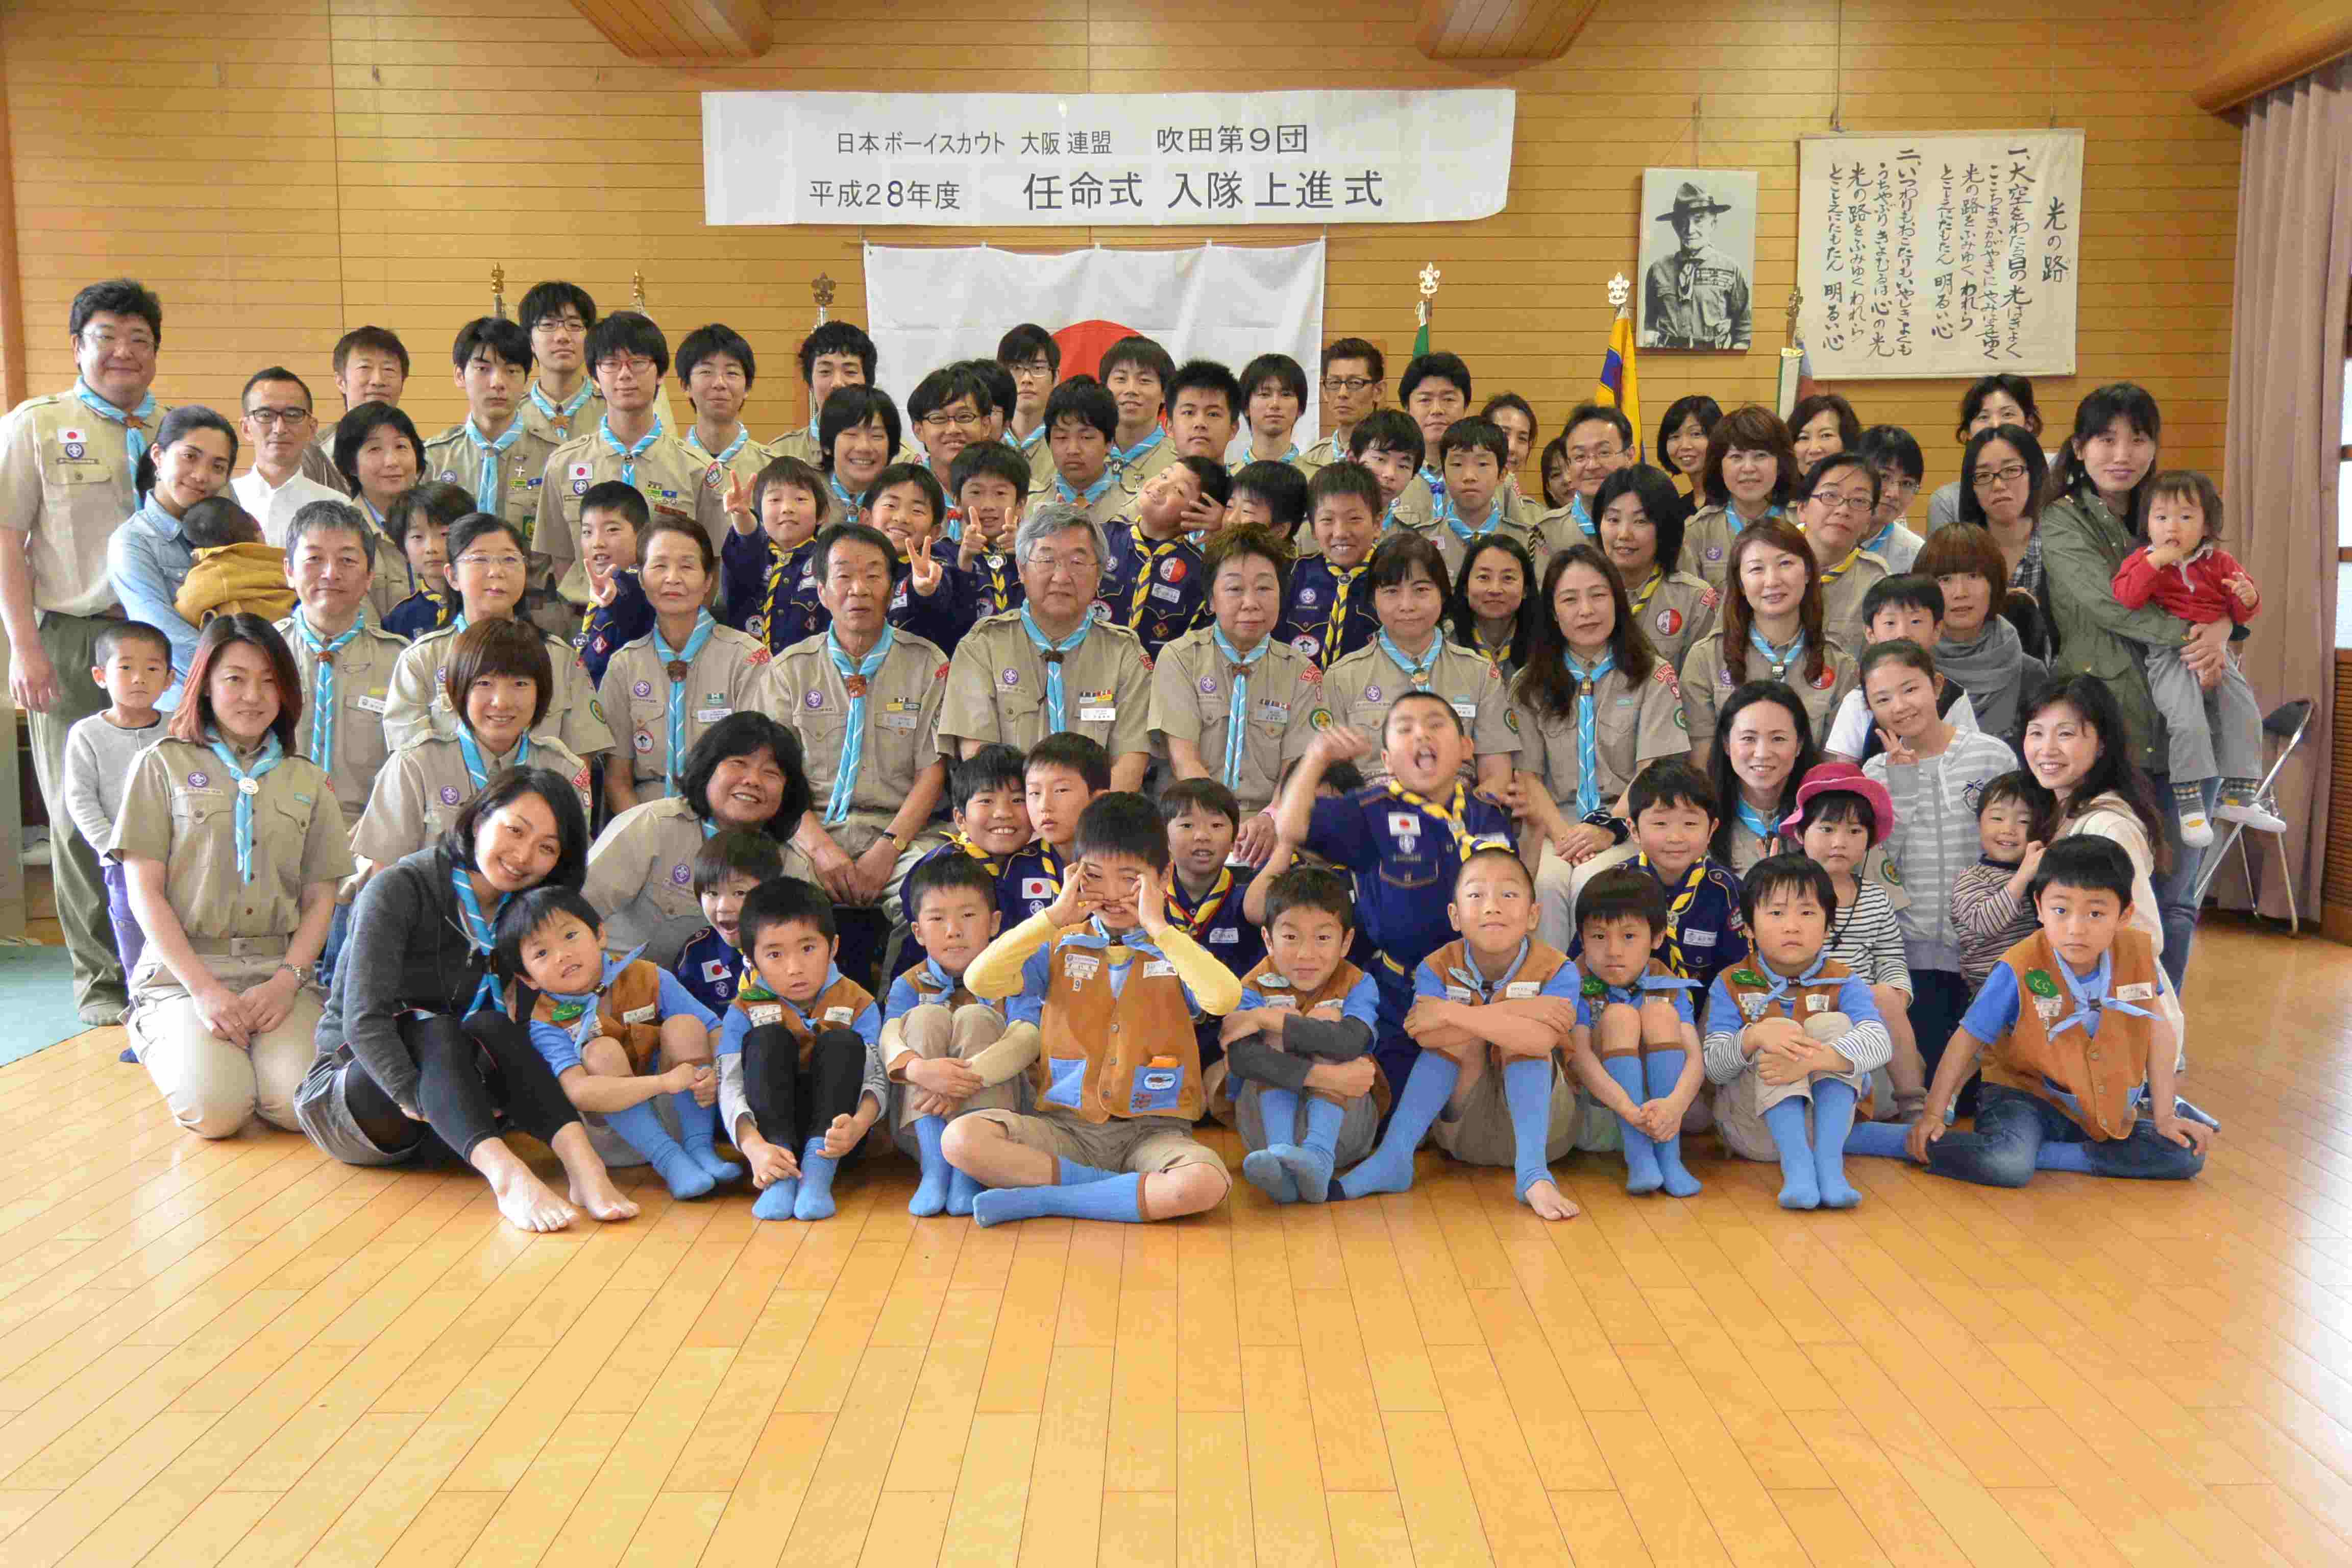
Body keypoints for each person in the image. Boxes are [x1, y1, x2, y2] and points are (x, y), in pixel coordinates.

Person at [296, 765, 639, 1232]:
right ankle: (508, 1179)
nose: (523, 856)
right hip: (368, 1098)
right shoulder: (400, 887)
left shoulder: (530, 914)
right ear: (479, 820)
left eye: (547, 848)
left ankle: (584, 1167)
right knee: (434, 1025)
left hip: (464, 1116)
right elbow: (363, 1021)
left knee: (491, 1025)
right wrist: (417, 1099)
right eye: (515, 831)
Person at [943, 792, 1238, 1228]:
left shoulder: (1176, 949)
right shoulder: (1060, 943)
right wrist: (1054, 916)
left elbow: (1224, 999)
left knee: (1205, 1183)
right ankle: (1116, 1193)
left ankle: (1051, 1200)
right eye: (1095, 877)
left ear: (1164, 876)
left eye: (1131, 879)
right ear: (1075, 875)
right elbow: (980, 980)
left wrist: (1159, 927)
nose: (1114, 895)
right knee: (961, 1139)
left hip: (1154, 1135)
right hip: (1066, 1129)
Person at [110, 616, 352, 1137]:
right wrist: (203, 990)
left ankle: (253, 1057)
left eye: (269, 681)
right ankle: (159, 1028)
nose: (253, 696)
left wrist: (287, 981)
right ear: (205, 685)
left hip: (276, 972)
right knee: (218, 1111)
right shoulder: (162, 765)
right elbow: (144, 891)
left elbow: (321, 896)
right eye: (235, 679)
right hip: (184, 975)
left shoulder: (308, 778)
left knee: (299, 1106)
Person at [0, 278, 169, 1023]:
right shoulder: (37, 425)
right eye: (106, 337)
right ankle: (104, 984)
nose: (123, 352)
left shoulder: (174, 428)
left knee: (169, 803)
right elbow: (7, 540)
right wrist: (24, 646)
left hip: (161, 637)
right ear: (77, 347)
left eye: (139, 339)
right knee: (79, 814)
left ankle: (163, 970)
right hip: (73, 637)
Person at [1905, 837, 2207, 1186]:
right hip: (2024, 1098)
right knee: (2008, 1166)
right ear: (2039, 907)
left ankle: (2039, 1156)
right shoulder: (2019, 965)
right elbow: (1966, 1040)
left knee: (2185, 1155)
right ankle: (1924, 1144)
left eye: (2096, 914)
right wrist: (1933, 1114)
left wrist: (2165, 1116)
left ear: (2124, 915)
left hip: (2097, 1106)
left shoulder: (2137, 953)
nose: (2076, 928)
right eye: (2061, 911)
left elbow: (2159, 1032)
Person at [2036, 385, 2210, 983]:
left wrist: (2222, 627)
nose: (2122, 453)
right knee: (2105, 898)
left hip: (2186, 726)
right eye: (2106, 438)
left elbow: (2217, 585)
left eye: (2138, 438)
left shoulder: (2172, 509)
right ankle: (2109, 1021)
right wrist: (2192, 631)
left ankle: (2163, 1025)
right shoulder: (2063, 518)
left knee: (2178, 901)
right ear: (2080, 447)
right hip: (2108, 731)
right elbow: (2108, 605)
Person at [1272, 694, 1517, 1095]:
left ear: (1466, 748)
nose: (1421, 734)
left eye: (1435, 724)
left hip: (1481, 988)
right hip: (1402, 993)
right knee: (1397, 1101)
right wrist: (1317, 758)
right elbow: (1291, 827)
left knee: (1480, 1102)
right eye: (1405, 729)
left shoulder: (1488, 813)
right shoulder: (1371, 812)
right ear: (1387, 761)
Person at [1326, 849, 1583, 1218]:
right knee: (1460, 1039)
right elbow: (1427, 1036)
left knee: (1519, 1041)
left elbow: (1539, 1042)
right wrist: (1524, 1009)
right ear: (1455, 916)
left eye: (1508, 894)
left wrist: (1451, 1012)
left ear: (1533, 915)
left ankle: (1533, 1174)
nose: (1492, 907)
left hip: (1547, 1134)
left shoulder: (1559, 969)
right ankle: (1394, 1158)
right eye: (1476, 895)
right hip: (1463, 1132)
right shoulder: (1436, 967)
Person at [768, 520, 952, 981]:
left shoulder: (928, 664)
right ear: (823, 591)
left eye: (873, 575)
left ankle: (901, 1007)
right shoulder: (789, 671)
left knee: (938, 900)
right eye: (844, 576)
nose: (859, 589)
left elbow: (933, 773)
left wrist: (889, 848)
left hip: (901, 833)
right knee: (773, 898)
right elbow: (773, 777)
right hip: (809, 832)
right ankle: (801, 1007)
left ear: (892, 589)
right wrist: (821, 850)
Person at [497, 888, 731, 1199]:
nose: (562, 955)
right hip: (611, 1137)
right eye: (541, 954)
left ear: (600, 934)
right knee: (600, 1051)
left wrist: (712, 1074)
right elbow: (579, 1091)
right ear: (528, 979)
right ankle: (671, 1162)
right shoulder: (545, 1021)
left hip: (678, 1117)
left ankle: (701, 1149)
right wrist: (663, 1082)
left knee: (686, 1024)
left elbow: (715, 1029)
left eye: (570, 936)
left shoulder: (649, 976)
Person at [1512, 545, 1689, 949]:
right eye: (1570, 600)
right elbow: (1528, 776)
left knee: (1594, 884)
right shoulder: (1528, 683)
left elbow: (1653, 770)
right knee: (1544, 885)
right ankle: (1553, 982)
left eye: (1598, 595)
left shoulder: (1653, 674)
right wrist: (1567, 838)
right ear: (1553, 612)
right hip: (1556, 822)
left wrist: (1607, 829)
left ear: (1617, 601)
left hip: (1627, 819)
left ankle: (1598, 984)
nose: (1586, 610)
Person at [1702, 854, 1888, 1206]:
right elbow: (1713, 1068)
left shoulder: (1843, 980)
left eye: (1807, 913)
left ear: (1828, 925)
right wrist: (1754, 1037)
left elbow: (1880, 1044)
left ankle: (1830, 1169)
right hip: (1753, 1131)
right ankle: (1798, 1169)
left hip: (1824, 1127)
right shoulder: (1731, 982)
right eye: (1776, 913)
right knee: (1776, 1030)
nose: (1792, 926)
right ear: (1749, 927)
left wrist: (1814, 1062)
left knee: (1834, 1023)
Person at [274, 501, 407, 979]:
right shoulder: (260, 655)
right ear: (289, 570)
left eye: (348, 560)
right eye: (314, 559)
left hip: (365, 839)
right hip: (272, 832)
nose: (330, 573)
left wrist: (373, 842)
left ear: (369, 577)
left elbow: (410, 771)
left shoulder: (403, 663)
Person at [2110, 470, 2277, 846]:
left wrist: (2248, 597)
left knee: (2245, 711)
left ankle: (2237, 797)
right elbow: (2126, 598)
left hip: (2217, 652)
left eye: (2186, 517)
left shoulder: (2221, 562)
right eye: (2161, 517)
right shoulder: (2142, 560)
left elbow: (2241, 612)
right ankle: (2191, 808)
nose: (2173, 526)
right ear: (2147, 524)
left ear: (2207, 526)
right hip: (2169, 655)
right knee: (2188, 722)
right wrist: (2155, 562)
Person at [2018, 677, 2189, 1042]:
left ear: (2101, 746)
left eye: (2066, 734)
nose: (2047, 749)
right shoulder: (2059, 811)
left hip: (2113, 1023)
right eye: (2036, 733)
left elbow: (2141, 937)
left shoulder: (2107, 827)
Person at [937, 502, 1153, 789]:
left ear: (1099, 575)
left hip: (1100, 812)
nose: (1061, 577)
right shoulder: (983, 646)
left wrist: (1085, 813)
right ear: (1022, 569)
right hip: (1009, 811)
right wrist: (1041, 810)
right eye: (1047, 560)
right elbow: (981, 763)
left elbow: (1130, 764)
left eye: (1077, 563)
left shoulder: (1125, 653)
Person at [354, 618, 595, 872]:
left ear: (541, 692)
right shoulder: (415, 766)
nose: (501, 702)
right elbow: (385, 877)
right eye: (484, 683)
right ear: (459, 689)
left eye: (520, 684)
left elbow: (571, 874)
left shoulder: (564, 770)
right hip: (430, 899)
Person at [585, 712, 813, 967]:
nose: (753, 780)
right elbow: (575, 910)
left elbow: (805, 955)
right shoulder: (654, 826)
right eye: (739, 763)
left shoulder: (790, 865)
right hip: (622, 982)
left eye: (771, 773)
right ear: (708, 769)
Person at [884, 853, 1041, 1216]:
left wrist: (956, 1083)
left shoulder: (1014, 976)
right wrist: (920, 1071)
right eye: (937, 919)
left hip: (1005, 1121)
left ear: (994, 922)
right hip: (921, 1123)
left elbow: (1028, 1039)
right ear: (918, 932)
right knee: (923, 1017)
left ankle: (972, 1169)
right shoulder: (908, 984)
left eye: (968, 916)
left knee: (976, 1017)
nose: (953, 930)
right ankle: (936, 1168)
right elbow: (889, 1038)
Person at [534, 312, 728, 604]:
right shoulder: (564, 464)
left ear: (660, 374)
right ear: (595, 377)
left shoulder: (697, 468)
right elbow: (561, 560)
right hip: (586, 616)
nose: (625, 375)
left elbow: (713, 561)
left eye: (637, 363)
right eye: (611, 364)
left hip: (669, 618)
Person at [382, 513, 609, 762]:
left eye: (510, 559)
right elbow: (409, 762)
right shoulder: (421, 660)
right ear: (453, 576)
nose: (496, 571)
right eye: (479, 559)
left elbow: (580, 761)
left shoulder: (559, 657)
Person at [1215, 866, 1382, 1205]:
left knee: (1327, 1024)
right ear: (1268, 940)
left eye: (1323, 938)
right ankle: (1281, 1156)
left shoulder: (1359, 983)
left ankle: (1319, 1157)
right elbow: (1242, 1058)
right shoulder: (1252, 985)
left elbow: (1350, 1042)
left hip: (1345, 1133)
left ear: (1346, 942)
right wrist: (1326, 1076)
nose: (1306, 954)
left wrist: (1268, 1019)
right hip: (1263, 1133)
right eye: (1291, 938)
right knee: (1284, 1035)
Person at [1150, 526, 1329, 839]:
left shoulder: (1302, 673)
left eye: (1264, 588)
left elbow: (1297, 770)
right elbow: (1184, 761)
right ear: (1211, 599)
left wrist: (1271, 818)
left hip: (1271, 824)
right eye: (1235, 589)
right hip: (1190, 821)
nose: (1251, 603)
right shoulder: (1180, 658)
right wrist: (1223, 827)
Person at [597, 517, 770, 813]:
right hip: (645, 816)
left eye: (687, 567)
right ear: (642, 579)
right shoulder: (624, 665)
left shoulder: (747, 659)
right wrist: (646, 833)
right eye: (659, 566)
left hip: (724, 817)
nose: (673, 578)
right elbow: (617, 781)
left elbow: (755, 769)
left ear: (708, 581)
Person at [1321, 533, 1517, 792]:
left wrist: (1463, 814)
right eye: (1392, 592)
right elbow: (1331, 778)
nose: (1407, 605)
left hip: (1460, 811)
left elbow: (1497, 774)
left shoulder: (1480, 673)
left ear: (1443, 595)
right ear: (1372, 600)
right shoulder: (1341, 677)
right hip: (1371, 812)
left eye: (1421, 590)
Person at [1784, 762, 1919, 1120]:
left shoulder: (1875, 897)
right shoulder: (1785, 895)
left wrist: (1898, 992)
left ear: (1869, 840)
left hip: (1865, 1011)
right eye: (1827, 829)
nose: (1839, 842)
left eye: (1855, 831)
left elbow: (1891, 956)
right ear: (1800, 833)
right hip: (1804, 1005)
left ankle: (1915, 1106)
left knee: (1884, 996)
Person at [1563, 865, 1704, 1196]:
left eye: (1629, 936)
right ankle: (1639, 1158)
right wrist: (1629, 1111)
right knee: (1620, 1017)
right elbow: (1579, 1058)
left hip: (1664, 1119)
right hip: (1599, 1114)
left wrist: (1675, 1107)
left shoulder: (1666, 982)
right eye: (1599, 936)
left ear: (1657, 938)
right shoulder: (1573, 981)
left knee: (1660, 1012)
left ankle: (1669, 1160)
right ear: (1582, 939)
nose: (1613, 950)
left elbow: (1696, 1059)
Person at [1679, 518, 1857, 760]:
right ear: (1741, 584)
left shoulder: (1841, 666)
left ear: (1807, 572)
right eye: (1757, 569)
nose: (1772, 581)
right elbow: (1703, 763)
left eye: (1785, 564)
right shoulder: (1705, 659)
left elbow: (1835, 768)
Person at [63, 621, 171, 983]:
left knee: (182, 939)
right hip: (123, 862)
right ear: (100, 676)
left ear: (169, 679)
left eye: (152, 669)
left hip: (180, 859)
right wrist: (112, 848)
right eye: (125, 667)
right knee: (134, 942)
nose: (139, 678)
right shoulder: (87, 734)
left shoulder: (180, 729)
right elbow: (80, 799)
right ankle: (139, 1008)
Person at [1609, 761, 1750, 1028]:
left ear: (1711, 829)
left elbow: (1737, 971)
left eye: (1690, 823)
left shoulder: (1727, 890)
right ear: (1634, 830)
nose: (1676, 837)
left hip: (1707, 1018)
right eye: (1660, 823)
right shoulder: (1613, 887)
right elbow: (1587, 962)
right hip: (1625, 1016)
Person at [106, 405, 238, 689]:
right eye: (190, 457)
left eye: (217, 467)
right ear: (158, 456)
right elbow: (165, 636)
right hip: (180, 699)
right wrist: (238, 674)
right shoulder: (132, 541)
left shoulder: (235, 530)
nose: (201, 475)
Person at [423, 316, 557, 557]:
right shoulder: (433, 459)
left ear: (526, 380)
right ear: (460, 376)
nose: (498, 383)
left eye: (512, 371)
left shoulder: (555, 457)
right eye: (483, 369)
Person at [1820, 574, 1978, 764]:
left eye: (1916, 621)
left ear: (1937, 630)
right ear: (1870, 633)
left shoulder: (1954, 696)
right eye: (1890, 623)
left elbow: (1971, 755)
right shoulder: (1858, 699)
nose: (1903, 633)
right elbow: (1845, 768)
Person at [1916, 523, 2046, 743]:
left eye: (1973, 576)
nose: (1960, 593)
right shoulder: (1909, 669)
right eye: (1945, 579)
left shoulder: (2030, 674)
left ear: (1994, 584)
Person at [899, 744, 1046, 934]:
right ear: (961, 819)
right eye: (986, 801)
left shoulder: (1046, 862)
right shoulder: (940, 866)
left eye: (1018, 800)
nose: (1003, 813)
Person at [1595, 463, 1717, 672]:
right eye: (1613, 519)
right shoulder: (1580, 594)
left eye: (1641, 521)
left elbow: (1700, 683)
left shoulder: (1695, 599)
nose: (1624, 534)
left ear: (1665, 528)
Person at [1101, 455, 1227, 655]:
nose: (1161, 487)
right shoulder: (1102, 538)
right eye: (1164, 476)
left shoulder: (1201, 573)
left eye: (1178, 490)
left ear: (1199, 514)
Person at [1955, 422, 2053, 655]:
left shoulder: (2060, 545)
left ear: (2034, 475)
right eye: (1984, 475)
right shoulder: (1957, 553)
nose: (1998, 485)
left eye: (2011, 471)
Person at [1951, 770, 2049, 995]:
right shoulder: (1972, 878)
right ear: (1979, 823)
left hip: (2038, 985)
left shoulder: (2043, 873)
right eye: (1997, 818)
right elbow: (1985, 924)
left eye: (2024, 821)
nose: (2009, 830)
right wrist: (2023, 876)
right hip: (1992, 988)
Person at [721, 453, 830, 654]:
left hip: (807, 669)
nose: (787, 508)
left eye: (800, 499)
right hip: (747, 668)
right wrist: (741, 515)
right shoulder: (752, 554)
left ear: (822, 514)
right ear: (759, 513)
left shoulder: (828, 560)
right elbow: (747, 541)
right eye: (775, 499)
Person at [1707, 681, 1824, 871]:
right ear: (1726, 743)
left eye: (1778, 739)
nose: (1762, 753)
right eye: (1748, 738)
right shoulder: (1700, 816)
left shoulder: (1825, 815)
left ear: (1799, 745)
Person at [1681, 405, 1797, 593]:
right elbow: (1690, 603)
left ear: (1780, 464)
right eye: (1736, 457)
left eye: (1760, 455)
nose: (1748, 468)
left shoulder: (1804, 522)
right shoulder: (1699, 531)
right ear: (1720, 467)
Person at [1160, 778, 1265, 982]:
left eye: (1216, 825)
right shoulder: (1148, 899)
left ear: (1234, 839)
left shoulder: (1249, 902)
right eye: (1187, 825)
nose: (1202, 836)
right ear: (1165, 839)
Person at [1410, 416, 1540, 578]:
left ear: (1502, 475)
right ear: (1444, 474)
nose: (1469, 476)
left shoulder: (1525, 541)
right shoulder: (1422, 540)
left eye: (1482, 464)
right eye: (1457, 464)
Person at [673, 828, 783, 1015]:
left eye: (740, 893)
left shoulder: (799, 948)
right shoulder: (696, 956)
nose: (723, 907)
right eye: (713, 893)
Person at [1285, 460, 1384, 666]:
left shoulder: (1392, 575)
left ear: (1377, 524)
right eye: (1327, 520)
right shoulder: (1294, 574)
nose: (1340, 533)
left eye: (1354, 519)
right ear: (1313, 528)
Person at [232, 368, 344, 545]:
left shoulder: (338, 508)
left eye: (292, 415)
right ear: (246, 428)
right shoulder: (225, 498)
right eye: (265, 415)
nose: (279, 429)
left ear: (312, 428)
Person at [1793, 451, 1889, 651]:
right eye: (1830, 495)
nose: (1843, 510)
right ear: (1802, 508)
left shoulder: (1876, 580)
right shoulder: (1765, 562)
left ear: (1869, 521)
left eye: (1859, 501)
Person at [1642, 181, 1752, 349]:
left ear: (1713, 223)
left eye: (1699, 221)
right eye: (1682, 222)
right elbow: (1649, 325)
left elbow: (1744, 331)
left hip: (1712, 358)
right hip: (1668, 357)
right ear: (1675, 226)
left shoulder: (1730, 269)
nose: (1690, 230)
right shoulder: (1659, 269)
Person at [1925, 374, 2043, 530]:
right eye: (1983, 417)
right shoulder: (1947, 501)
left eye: (2007, 414)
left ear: (2029, 423)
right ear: (1968, 432)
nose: (1995, 424)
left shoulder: (2057, 487)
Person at [770, 321, 883, 464]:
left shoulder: (896, 457)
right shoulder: (779, 455)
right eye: (825, 371)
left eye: (850, 372)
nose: (837, 383)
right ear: (810, 383)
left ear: (868, 382)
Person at [675, 322, 771, 487]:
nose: (719, 383)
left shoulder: (770, 468)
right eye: (706, 372)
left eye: (731, 373)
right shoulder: (667, 463)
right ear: (686, 386)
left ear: (747, 388)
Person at [1539, 403, 1639, 555]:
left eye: (1604, 453)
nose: (1592, 466)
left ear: (1629, 455)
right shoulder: (1547, 531)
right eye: (1580, 456)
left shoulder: (1657, 521)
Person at [173, 497, 290, 624]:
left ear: (197, 550)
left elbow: (185, 609)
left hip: (263, 633)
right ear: (255, 522)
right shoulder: (286, 559)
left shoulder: (213, 573)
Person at [380, 481, 473, 642]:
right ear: (403, 549)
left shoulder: (484, 604)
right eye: (417, 537)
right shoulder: (397, 621)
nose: (431, 548)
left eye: (445, 534)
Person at [515, 281, 605, 446]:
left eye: (575, 325)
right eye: (548, 325)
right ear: (530, 341)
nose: (563, 336)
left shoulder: (613, 411)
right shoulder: (512, 414)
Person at [1028, 376, 1125, 525]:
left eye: (1086, 437)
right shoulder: (1027, 506)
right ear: (1049, 442)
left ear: (1109, 443)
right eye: (1062, 437)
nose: (1073, 450)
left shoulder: (1134, 507)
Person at [951, 442, 1031, 617]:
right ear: (957, 502)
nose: (988, 505)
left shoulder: (1036, 555)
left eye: (1000, 493)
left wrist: (1027, 557)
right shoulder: (943, 554)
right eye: (976, 493)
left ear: (1020, 504)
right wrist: (964, 564)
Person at [1447, 534, 1537, 676]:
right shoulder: (1445, 642)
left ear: (1526, 590)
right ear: (1466, 588)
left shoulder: (1545, 644)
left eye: (1508, 578)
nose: (1495, 590)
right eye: (1484, 577)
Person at [1400, 352, 1473, 522]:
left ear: (1465, 407)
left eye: (1449, 399)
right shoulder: (1388, 475)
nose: (1437, 410)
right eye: (1425, 400)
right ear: (1407, 408)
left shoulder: (1494, 474)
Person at [1099, 335, 1178, 491]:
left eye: (1144, 381)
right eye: (1121, 379)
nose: (1131, 390)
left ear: (1165, 393)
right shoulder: (1080, 454)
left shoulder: (1181, 465)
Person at [1852, 424, 1927, 571]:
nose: (1894, 494)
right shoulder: (1815, 535)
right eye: (1884, 477)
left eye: (1907, 483)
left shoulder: (1916, 555)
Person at [1304, 338, 1386, 472]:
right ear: (1324, 392)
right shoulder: (1309, 462)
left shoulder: (1398, 463)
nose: (1343, 394)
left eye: (1355, 383)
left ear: (1378, 391)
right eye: (1334, 383)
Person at [1227, 457, 1312, 558]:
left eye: (1247, 511)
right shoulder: (1219, 561)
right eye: (1229, 506)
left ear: (1280, 530)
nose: (1231, 519)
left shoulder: (1296, 568)